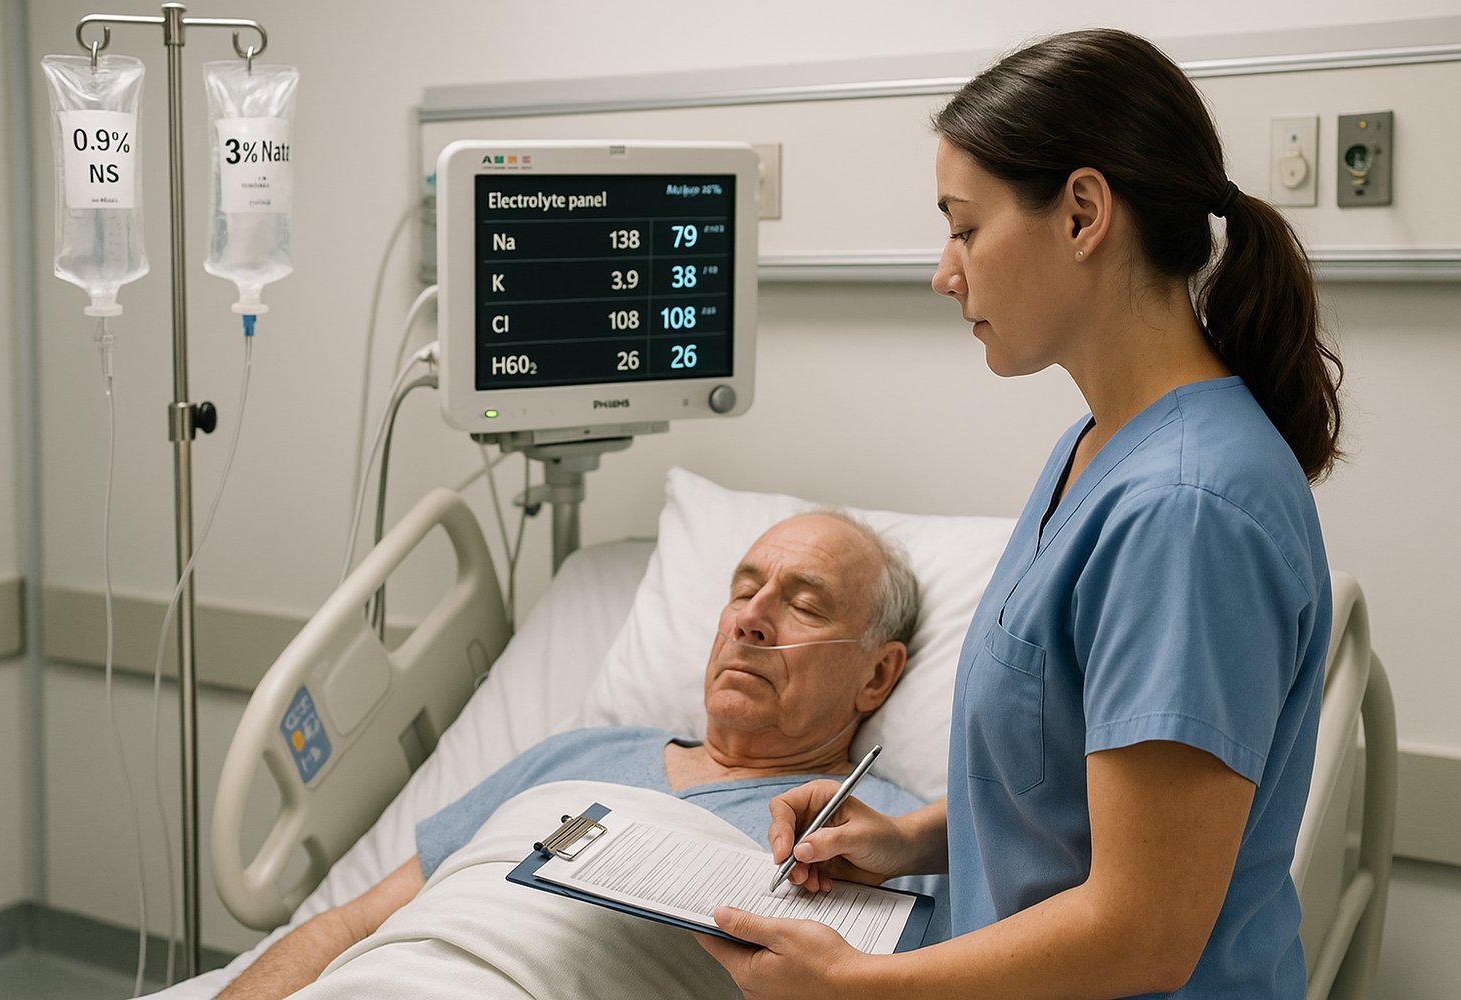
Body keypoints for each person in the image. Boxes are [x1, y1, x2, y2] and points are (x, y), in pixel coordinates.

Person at [699, 28, 1342, 1000]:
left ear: (1083, 212)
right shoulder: (1095, 450)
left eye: (964, 226)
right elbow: (1079, 792)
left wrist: (855, 989)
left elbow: (1145, 930)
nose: (945, 271)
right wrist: (908, 836)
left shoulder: (1186, 513)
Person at [216, 509, 943, 999]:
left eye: (804, 605)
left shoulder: (896, 840)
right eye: (744, 591)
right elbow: (355, 924)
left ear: (878, 673)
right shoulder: (576, 752)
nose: (752, 619)